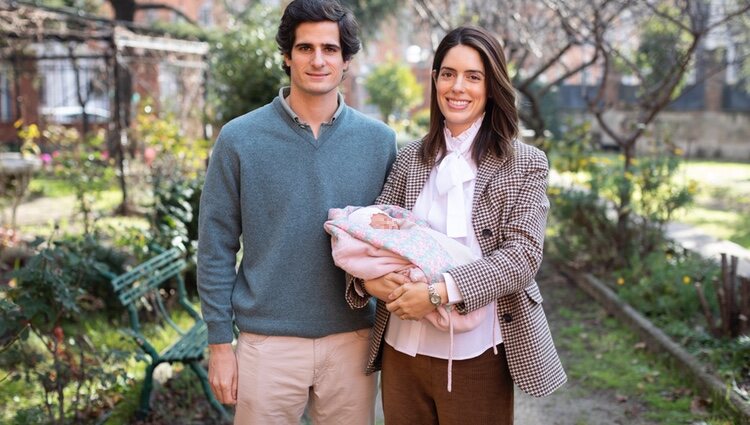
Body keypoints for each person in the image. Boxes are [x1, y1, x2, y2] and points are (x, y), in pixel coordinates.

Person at [345, 26, 567, 424]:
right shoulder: (411, 157)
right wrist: (368, 283)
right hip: (402, 348)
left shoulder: (525, 163)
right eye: (447, 74)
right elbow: (371, 233)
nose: (457, 87)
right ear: (434, 80)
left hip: (477, 354)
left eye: (473, 76)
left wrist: (438, 293)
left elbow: (523, 256)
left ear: (492, 85)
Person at [196, 0, 396, 423]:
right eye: (305, 48)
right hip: (266, 344)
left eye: (329, 49)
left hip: (353, 339)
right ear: (287, 56)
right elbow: (215, 245)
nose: (318, 60)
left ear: (346, 61)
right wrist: (218, 344)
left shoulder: (379, 142)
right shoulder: (239, 139)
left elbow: (395, 239)